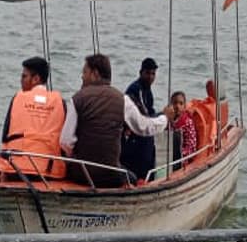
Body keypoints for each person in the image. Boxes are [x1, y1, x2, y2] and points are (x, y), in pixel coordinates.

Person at [61, 54, 170, 187]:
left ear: (95, 74)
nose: (82, 77)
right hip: (111, 174)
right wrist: (165, 118)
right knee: (133, 178)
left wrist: (75, 156)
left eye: (84, 72)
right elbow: (144, 127)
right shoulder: (123, 100)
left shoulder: (76, 99)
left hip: (81, 174)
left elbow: (65, 141)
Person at [0, 56, 68, 180]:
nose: (21, 80)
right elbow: (65, 141)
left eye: (24, 76)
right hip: (50, 173)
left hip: (16, 170)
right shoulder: (60, 102)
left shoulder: (18, 98)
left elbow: (5, 138)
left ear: (36, 79)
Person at [121, 57, 160, 181]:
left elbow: (150, 110)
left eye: (153, 74)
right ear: (141, 73)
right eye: (147, 73)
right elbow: (144, 115)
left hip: (140, 132)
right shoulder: (136, 89)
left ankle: (146, 179)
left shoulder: (147, 90)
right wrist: (162, 117)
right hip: (133, 135)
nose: (150, 77)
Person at [169, 90, 197, 164]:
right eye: (175, 103)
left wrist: (181, 154)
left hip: (182, 159)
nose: (177, 106)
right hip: (168, 156)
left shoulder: (188, 122)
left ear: (184, 106)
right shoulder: (167, 122)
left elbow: (191, 146)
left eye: (181, 103)